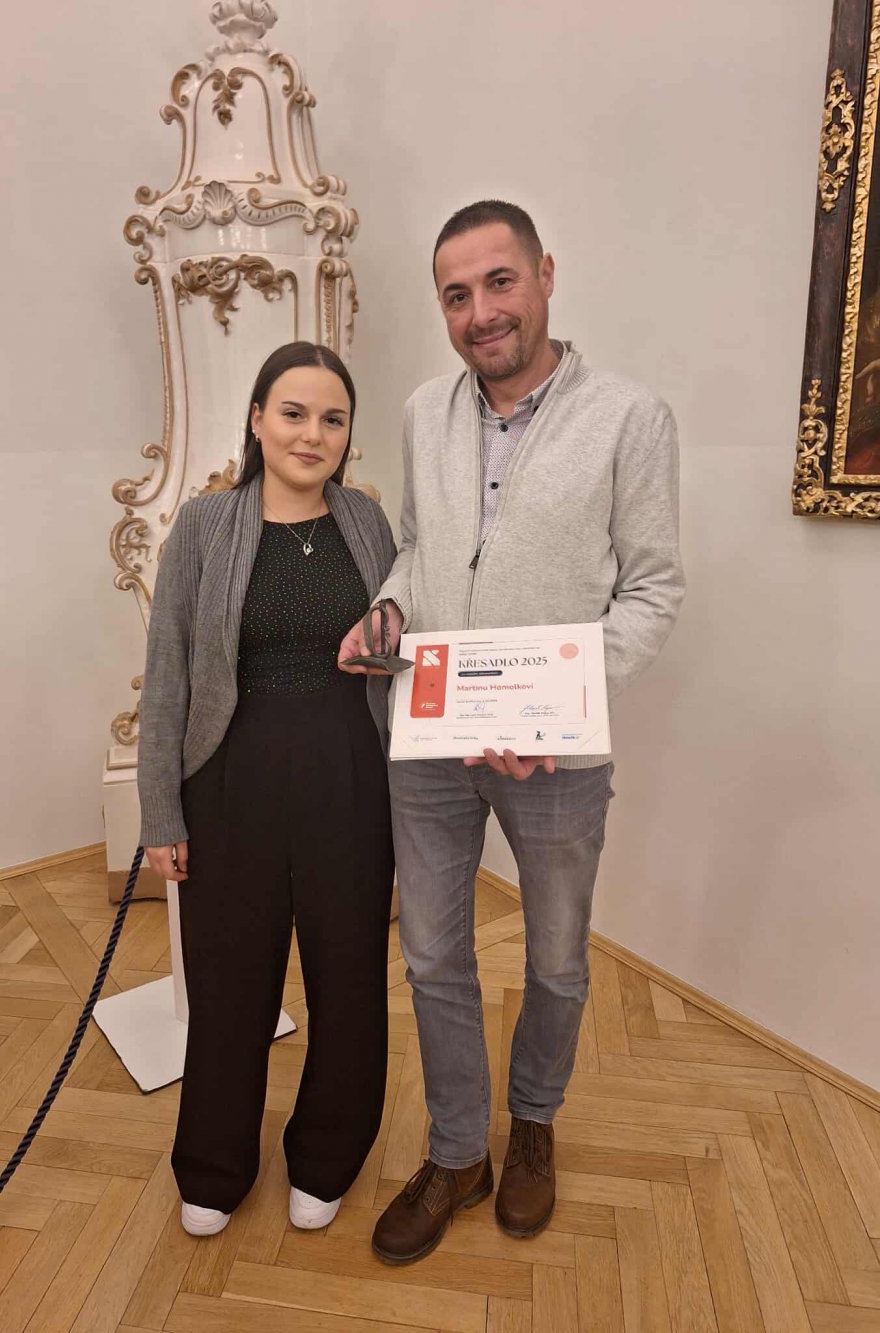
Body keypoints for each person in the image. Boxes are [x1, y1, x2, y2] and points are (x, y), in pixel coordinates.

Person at [339, 200, 685, 1264]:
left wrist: (562, 704)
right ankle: (457, 1153)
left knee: (559, 959)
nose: (481, 312)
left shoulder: (630, 417)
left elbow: (652, 592)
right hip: (431, 736)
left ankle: (532, 1122)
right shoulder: (420, 412)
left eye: (499, 282)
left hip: (557, 756)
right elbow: (417, 553)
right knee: (432, 953)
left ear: (544, 276)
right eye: (457, 294)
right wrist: (387, 609)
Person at [139, 341, 397, 1238]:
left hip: (350, 780)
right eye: (293, 412)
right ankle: (214, 1165)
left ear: (348, 434)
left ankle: (327, 1155)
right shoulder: (205, 524)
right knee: (229, 982)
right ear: (256, 419)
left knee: (349, 976)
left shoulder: (369, 523)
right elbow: (167, 673)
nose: (311, 433)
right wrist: (160, 810)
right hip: (230, 783)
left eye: (332, 418)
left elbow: (401, 648)